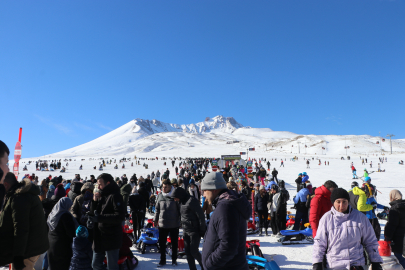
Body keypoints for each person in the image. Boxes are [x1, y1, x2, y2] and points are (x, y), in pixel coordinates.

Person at [312, 188, 383, 270]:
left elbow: (370, 241)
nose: (341, 205)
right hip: (334, 265)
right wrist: (317, 263)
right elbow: (319, 243)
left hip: (356, 264)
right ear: (333, 202)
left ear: (348, 202)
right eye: (338, 202)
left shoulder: (360, 217)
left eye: (344, 202)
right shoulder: (326, 219)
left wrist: (375, 262)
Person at [201, 172, 251, 270]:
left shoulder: (225, 208)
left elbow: (229, 246)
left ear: (214, 189)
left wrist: (210, 264)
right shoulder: (226, 204)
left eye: (205, 190)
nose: (203, 194)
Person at [0, 173, 49, 269]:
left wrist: (18, 256)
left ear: (6, 184)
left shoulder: (19, 198)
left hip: (28, 249)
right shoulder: (21, 195)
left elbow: (21, 228)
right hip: (29, 246)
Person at [88, 173, 126, 270]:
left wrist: (100, 218)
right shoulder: (102, 195)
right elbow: (94, 213)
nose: (98, 187)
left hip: (111, 237)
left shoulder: (115, 196)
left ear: (108, 183)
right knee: (95, 264)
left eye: (100, 184)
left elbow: (119, 216)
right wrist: (94, 201)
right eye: (98, 185)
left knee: (112, 267)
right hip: (99, 236)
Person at [172, 187, 206, 270]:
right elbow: (182, 215)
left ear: (180, 195)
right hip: (186, 230)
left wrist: (202, 230)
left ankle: (205, 267)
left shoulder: (191, 201)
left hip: (194, 230)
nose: (175, 200)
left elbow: (201, 216)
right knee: (187, 252)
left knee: (194, 251)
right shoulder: (181, 201)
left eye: (175, 197)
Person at [154, 179, 181, 267]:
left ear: (170, 187)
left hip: (174, 224)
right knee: (162, 244)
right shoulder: (160, 196)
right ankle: (162, 260)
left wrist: (180, 221)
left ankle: (174, 260)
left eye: (165, 187)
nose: (164, 188)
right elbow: (157, 210)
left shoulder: (175, 196)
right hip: (162, 224)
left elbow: (180, 210)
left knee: (174, 243)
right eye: (163, 187)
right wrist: (155, 220)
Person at [47, 197, 78, 270]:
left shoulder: (52, 214)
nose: (70, 208)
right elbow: (71, 233)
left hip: (51, 245)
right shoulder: (65, 216)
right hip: (62, 248)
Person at [384, 189, 405, 268]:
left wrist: (388, 237)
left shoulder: (395, 209)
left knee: (400, 259)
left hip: (398, 239)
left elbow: (392, 225)